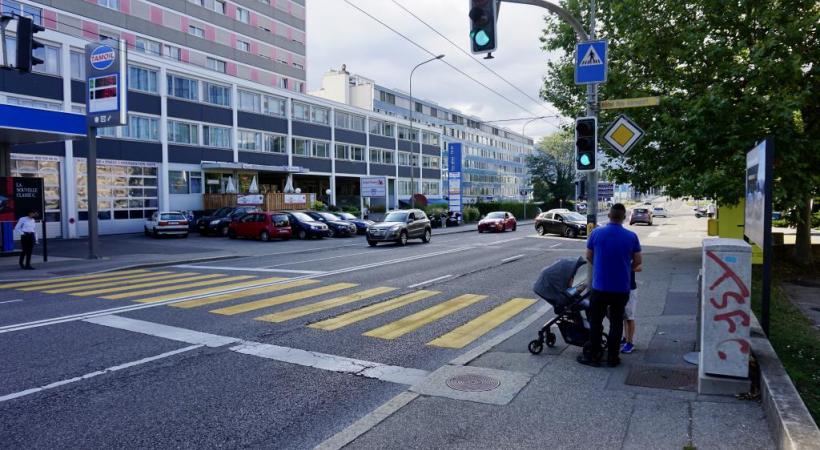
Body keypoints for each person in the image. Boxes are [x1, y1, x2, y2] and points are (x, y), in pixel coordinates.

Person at [578, 203, 642, 367]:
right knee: (616, 322)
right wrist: (624, 267)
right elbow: (638, 262)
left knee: (596, 322)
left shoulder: (596, 233)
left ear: (609, 215)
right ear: (624, 217)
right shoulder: (631, 237)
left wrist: (601, 266)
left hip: (599, 287)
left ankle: (594, 355)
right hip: (621, 289)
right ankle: (613, 358)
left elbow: (589, 257)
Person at [621, 270, 640, 354]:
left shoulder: (630, 257)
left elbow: (639, 266)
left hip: (630, 289)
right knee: (625, 316)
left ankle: (630, 343)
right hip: (621, 289)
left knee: (629, 317)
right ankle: (626, 338)